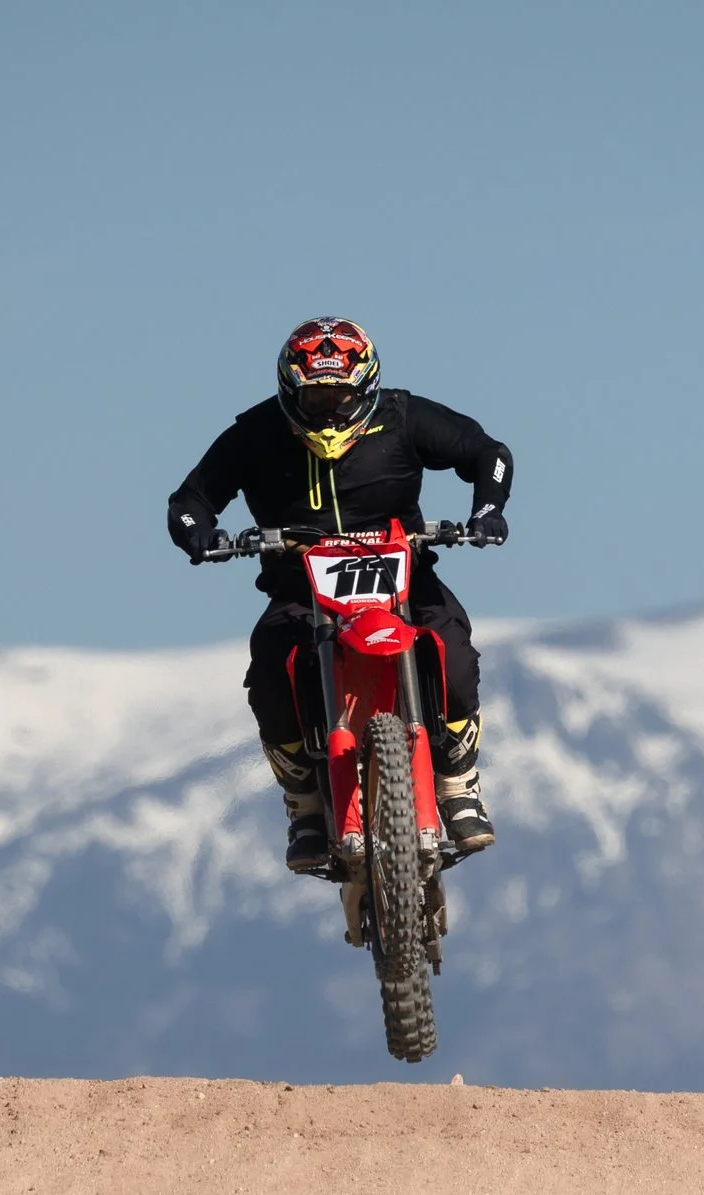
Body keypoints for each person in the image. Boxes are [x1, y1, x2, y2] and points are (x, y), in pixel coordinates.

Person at [166, 317, 511, 874]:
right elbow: (189, 500)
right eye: (315, 398)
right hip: (299, 587)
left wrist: (488, 510)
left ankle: (457, 785)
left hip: (406, 574)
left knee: (455, 655)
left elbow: (489, 454)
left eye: (340, 397)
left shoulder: (405, 416)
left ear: (367, 388)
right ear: (289, 392)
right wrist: (199, 535)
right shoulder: (254, 433)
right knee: (271, 670)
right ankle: (304, 805)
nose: (328, 412)